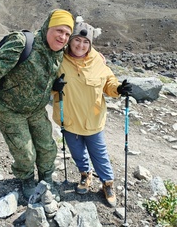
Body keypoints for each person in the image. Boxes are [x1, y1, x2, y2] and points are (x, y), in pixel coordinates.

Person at [0, 9, 74, 201]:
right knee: (25, 153)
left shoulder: (59, 52)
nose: (63, 37)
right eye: (59, 30)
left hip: (36, 109)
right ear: (47, 27)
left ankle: (46, 179)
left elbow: (82, 53)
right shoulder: (22, 43)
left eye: (67, 34)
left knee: (48, 147)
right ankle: (26, 180)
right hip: (10, 109)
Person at [52, 16, 132, 207]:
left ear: (90, 44)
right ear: (70, 41)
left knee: (100, 155)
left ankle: (107, 183)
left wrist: (119, 89)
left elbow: (109, 84)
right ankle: (85, 175)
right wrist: (54, 86)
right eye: (77, 40)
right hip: (69, 120)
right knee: (77, 153)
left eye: (85, 42)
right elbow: (48, 84)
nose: (80, 45)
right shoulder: (58, 59)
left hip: (93, 121)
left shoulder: (98, 62)